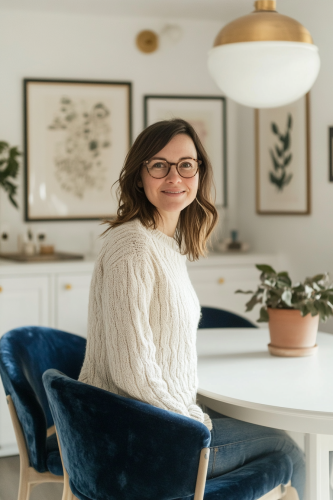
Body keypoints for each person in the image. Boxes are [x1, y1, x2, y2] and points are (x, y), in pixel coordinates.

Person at [79, 118, 305, 498]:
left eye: (186, 164)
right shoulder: (132, 246)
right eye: (159, 165)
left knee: (274, 439)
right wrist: (193, 422)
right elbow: (131, 370)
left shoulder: (165, 244)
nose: (174, 176)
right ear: (139, 175)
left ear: (199, 172)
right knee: (286, 448)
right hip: (136, 441)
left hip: (155, 423)